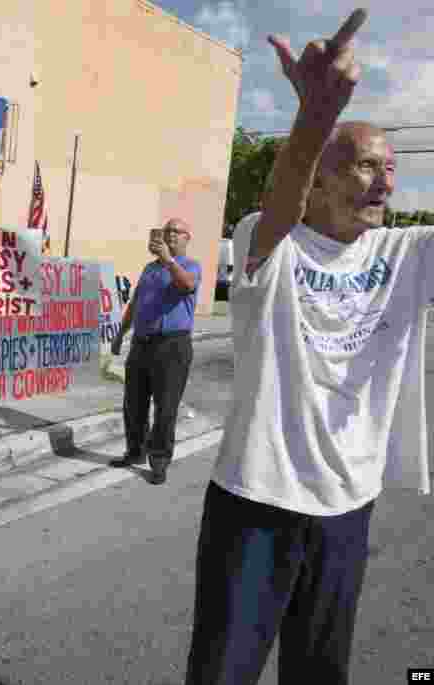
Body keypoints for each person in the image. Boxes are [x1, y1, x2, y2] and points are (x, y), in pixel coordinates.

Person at [184, 9, 434, 685]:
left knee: (320, 674)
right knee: (221, 673)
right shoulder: (268, 244)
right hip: (254, 506)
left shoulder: (407, 253)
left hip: (348, 509)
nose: (385, 181)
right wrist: (314, 121)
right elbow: (277, 209)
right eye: (364, 166)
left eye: (391, 168)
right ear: (320, 178)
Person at [108, 218, 201, 485]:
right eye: (167, 231)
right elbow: (136, 303)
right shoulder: (149, 269)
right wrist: (120, 335)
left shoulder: (190, 266)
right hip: (142, 344)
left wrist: (169, 261)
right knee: (133, 403)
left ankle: (158, 460)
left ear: (186, 238)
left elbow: (186, 286)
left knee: (166, 408)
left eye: (176, 232)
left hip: (172, 346)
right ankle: (135, 450)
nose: (170, 235)